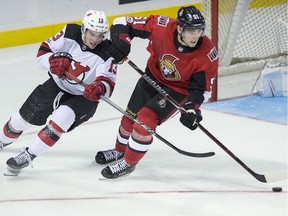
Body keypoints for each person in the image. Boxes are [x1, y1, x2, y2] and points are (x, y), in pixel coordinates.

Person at [95, 5, 219, 179]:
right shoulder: (161, 26)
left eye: (199, 30)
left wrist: (192, 108)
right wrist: (122, 41)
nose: (195, 36)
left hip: (178, 90)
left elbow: (200, 88)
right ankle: (119, 152)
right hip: (151, 78)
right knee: (128, 119)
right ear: (179, 28)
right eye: (191, 31)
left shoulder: (207, 53)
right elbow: (122, 23)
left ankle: (128, 163)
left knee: (144, 122)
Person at [0, 10, 117, 176]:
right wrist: (52, 61)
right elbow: (41, 55)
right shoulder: (69, 32)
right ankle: (2, 141)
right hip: (55, 85)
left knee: (61, 117)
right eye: (92, 33)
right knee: (20, 120)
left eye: (100, 35)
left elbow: (109, 83)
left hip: (83, 97)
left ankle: (28, 155)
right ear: (84, 29)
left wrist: (99, 88)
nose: (95, 39)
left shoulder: (108, 51)